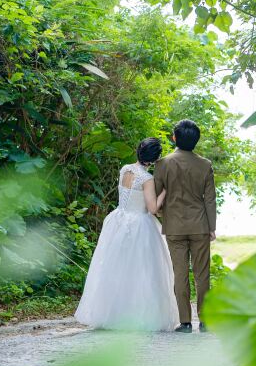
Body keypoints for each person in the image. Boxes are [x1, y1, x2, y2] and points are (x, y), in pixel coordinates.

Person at [74, 138, 180, 331]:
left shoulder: (125, 169)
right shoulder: (147, 179)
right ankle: (137, 316)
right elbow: (153, 208)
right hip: (139, 224)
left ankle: (113, 314)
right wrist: (165, 190)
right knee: (142, 271)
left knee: (117, 269)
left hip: (118, 220)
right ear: (155, 159)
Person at [154, 119, 216, 333]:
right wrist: (212, 226)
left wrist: (165, 215)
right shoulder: (205, 164)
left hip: (174, 226)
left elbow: (157, 196)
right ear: (196, 141)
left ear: (175, 138)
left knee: (180, 274)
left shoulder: (162, 164)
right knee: (202, 274)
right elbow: (209, 199)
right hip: (200, 224)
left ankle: (186, 322)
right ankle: (206, 321)